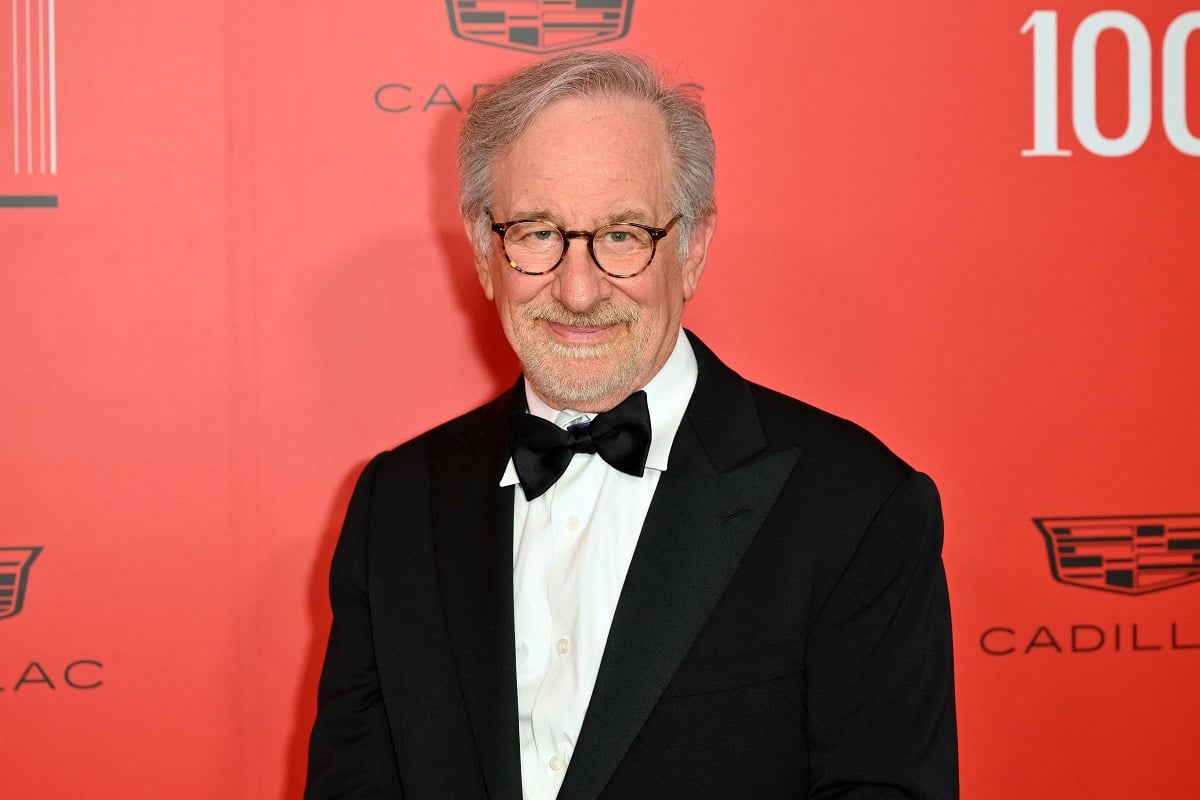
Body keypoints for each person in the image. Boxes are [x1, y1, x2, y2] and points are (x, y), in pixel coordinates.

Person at [306, 50, 958, 799]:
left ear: (692, 248)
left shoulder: (856, 508)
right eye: (537, 232)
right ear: (487, 251)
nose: (578, 291)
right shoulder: (396, 504)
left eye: (622, 235)